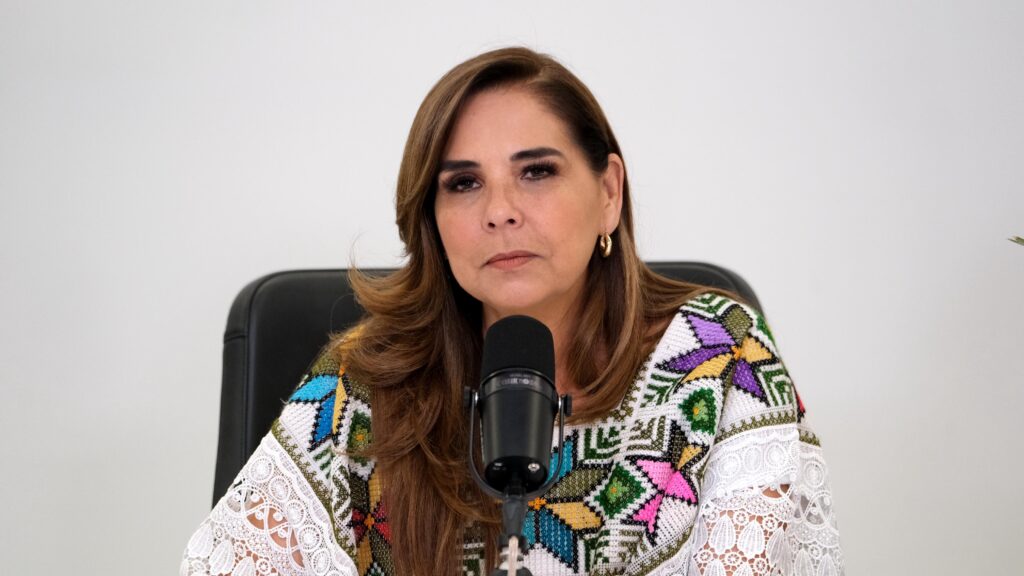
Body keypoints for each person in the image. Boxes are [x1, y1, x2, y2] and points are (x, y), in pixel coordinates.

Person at [181, 47, 843, 576]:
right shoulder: (364, 385)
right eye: (464, 183)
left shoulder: (720, 358)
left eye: (536, 172)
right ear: (432, 221)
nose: (500, 210)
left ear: (608, 193)